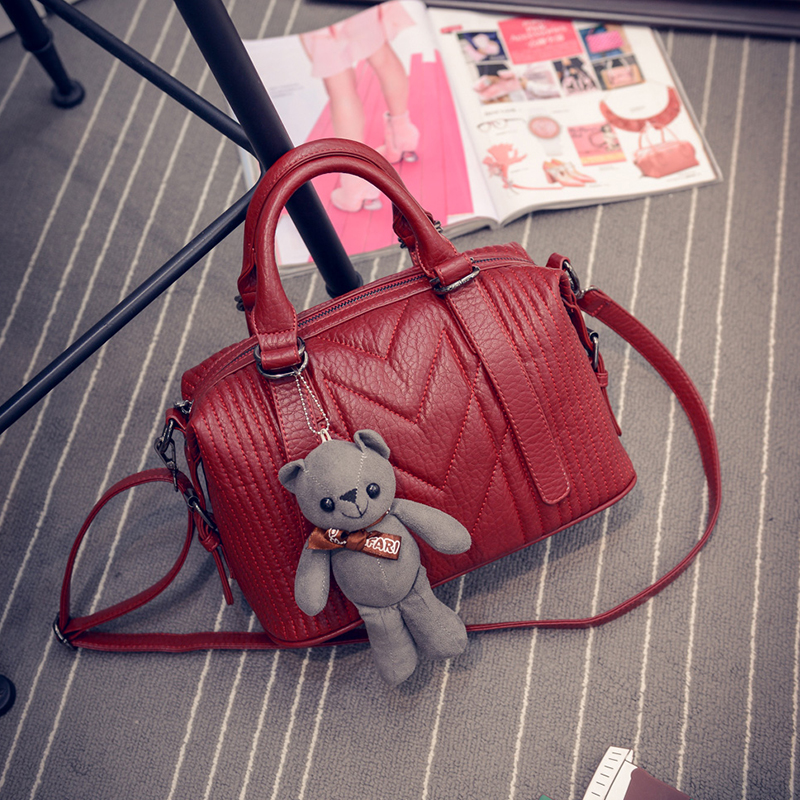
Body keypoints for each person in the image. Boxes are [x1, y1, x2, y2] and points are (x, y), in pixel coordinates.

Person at [301, 2, 419, 212]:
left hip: (317, 9)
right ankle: (402, 138)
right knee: (382, 56)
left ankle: (355, 185)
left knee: (341, 87)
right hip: (356, 4)